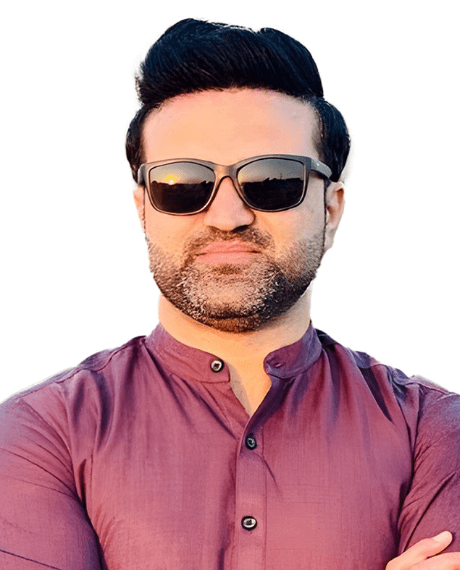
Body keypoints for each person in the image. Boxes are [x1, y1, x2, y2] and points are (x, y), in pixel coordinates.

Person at [0, 18, 459, 570]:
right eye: (182, 184)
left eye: (273, 181)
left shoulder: (433, 429)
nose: (228, 216)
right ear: (144, 209)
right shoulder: (40, 432)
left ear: (331, 209)